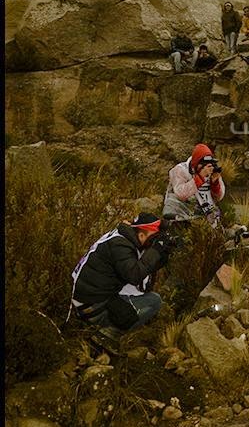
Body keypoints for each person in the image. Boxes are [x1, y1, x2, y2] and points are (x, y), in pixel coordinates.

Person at [69, 212, 174, 354]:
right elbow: (135, 275)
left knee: (141, 295)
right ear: (141, 234)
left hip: (88, 297)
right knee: (153, 301)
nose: (151, 244)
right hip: (89, 306)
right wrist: (155, 250)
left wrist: (161, 254)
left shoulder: (122, 238)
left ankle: (104, 325)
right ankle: (106, 335)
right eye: (152, 239)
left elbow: (143, 277)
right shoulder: (120, 245)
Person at [162, 143, 226, 224]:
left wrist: (215, 183)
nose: (206, 168)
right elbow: (180, 194)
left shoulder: (211, 170)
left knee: (214, 216)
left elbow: (219, 197)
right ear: (195, 163)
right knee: (173, 211)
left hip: (200, 207)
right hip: (179, 206)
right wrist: (200, 178)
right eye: (203, 164)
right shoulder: (180, 170)